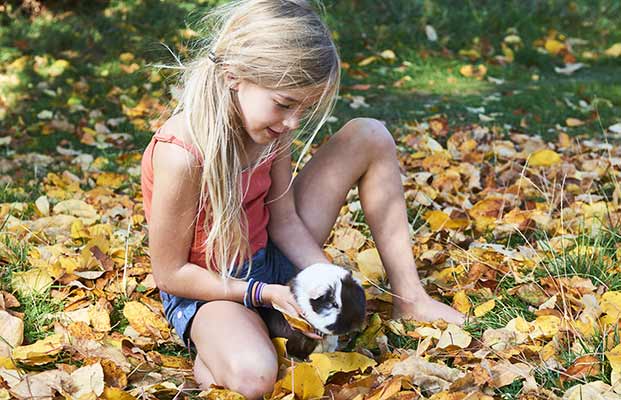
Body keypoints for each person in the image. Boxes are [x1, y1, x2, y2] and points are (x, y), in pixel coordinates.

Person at [141, 0, 465, 398]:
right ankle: (223, 342)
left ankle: (411, 297)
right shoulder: (182, 152)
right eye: (284, 103)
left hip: (267, 259)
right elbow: (171, 274)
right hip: (208, 286)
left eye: (304, 108)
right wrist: (263, 295)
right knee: (254, 378)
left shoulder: (271, 129)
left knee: (370, 134)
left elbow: (285, 221)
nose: (292, 122)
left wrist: (328, 277)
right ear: (234, 76)